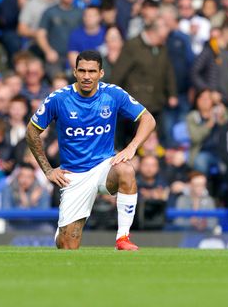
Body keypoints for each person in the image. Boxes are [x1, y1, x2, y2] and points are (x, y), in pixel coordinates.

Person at [26, 50, 156, 250]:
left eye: (92, 71)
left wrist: (131, 147)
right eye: (82, 71)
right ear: (75, 72)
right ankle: (62, 232)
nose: (87, 76)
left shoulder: (113, 94)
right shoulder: (58, 99)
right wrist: (48, 170)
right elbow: (31, 132)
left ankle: (122, 238)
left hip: (104, 166)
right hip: (74, 175)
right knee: (67, 245)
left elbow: (148, 119)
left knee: (126, 170)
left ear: (101, 73)